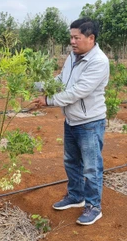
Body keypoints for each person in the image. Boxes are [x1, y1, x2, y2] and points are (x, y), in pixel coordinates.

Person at [32, 17, 109, 225]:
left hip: (90, 122)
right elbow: (62, 80)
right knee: (71, 161)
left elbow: (78, 91)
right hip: (72, 120)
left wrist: (48, 100)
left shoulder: (99, 61)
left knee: (91, 167)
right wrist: (38, 85)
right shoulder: (73, 56)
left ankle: (93, 206)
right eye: (71, 37)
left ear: (91, 38)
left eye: (77, 37)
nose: (72, 42)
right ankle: (76, 196)